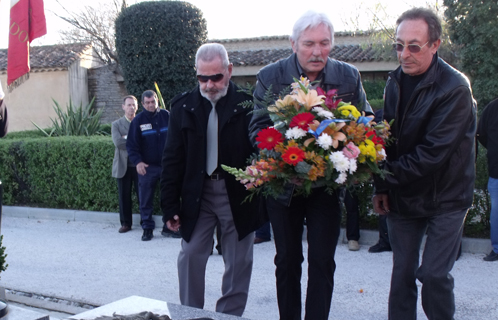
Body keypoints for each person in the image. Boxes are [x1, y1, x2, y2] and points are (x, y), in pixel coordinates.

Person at [249, 11, 372, 320]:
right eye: (309, 44)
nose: (317, 51)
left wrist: (351, 147)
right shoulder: (270, 76)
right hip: (284, 187)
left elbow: (364, 123)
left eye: (324, 43)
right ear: (293, 44)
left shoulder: (348, 76)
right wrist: (285, 153)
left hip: (327, 188)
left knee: (322, 261)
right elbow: (256, 129)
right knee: (287, 261)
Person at [372, 8, 476, 320]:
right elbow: (386, 141)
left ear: (435, 45)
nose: (404, 54)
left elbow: (432, 153)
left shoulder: (455, 88)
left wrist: (375, 173)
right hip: (403, 194)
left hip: (446, 196)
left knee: (432, 275)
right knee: (401, 275)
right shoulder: (395, 82)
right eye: (399, 45)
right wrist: (381, 186)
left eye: (414, 46)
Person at [161, 43, 264, 316]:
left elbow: (260, 147)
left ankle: (228, 316)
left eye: (216, 77)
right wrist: (169, 206)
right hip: (199, 194)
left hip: (238, 192)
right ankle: (190, 314)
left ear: (229, 71)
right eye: (202, 78)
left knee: (239, 262)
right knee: (190, 255)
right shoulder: (182, 107)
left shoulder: (247, 103)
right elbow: (172, 159)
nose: (209, 85)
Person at [127, 90, 179, 241]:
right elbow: (131, 145)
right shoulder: (138, 121)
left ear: (157, 101)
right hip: (147, 168)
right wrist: (138, 162)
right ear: (142, 104)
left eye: (153, 102)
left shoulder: (167, 116)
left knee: (169, 197)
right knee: (146, 199)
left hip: (167, 166)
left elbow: (177, 139)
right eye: (147, 103)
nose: (151, 105)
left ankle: (169, 227)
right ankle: (147, 228)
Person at [112, 95, 140, 233]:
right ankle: (125, 223)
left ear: (137, 106)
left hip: (139, 165)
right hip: (123, 166)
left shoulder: (141, 122)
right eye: (128, 105)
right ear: (123, 107)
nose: (131, 108)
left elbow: (145, 142)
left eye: (133, 105)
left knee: (143, 195)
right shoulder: (116, 125)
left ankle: (145, 221)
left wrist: (127, 138)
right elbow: (118, 142)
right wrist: (134, 140)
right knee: (124, 196)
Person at [477, 98, 498, 262]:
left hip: (496, 166)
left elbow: (481, 134)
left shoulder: (492, 108)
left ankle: (497, 249)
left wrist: (492, 148)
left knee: (496, 211)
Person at [368, 108, 392, 253]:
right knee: (382, 203)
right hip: (383, 162)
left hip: (397, 164)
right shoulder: (380, 113)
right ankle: (384, 240)